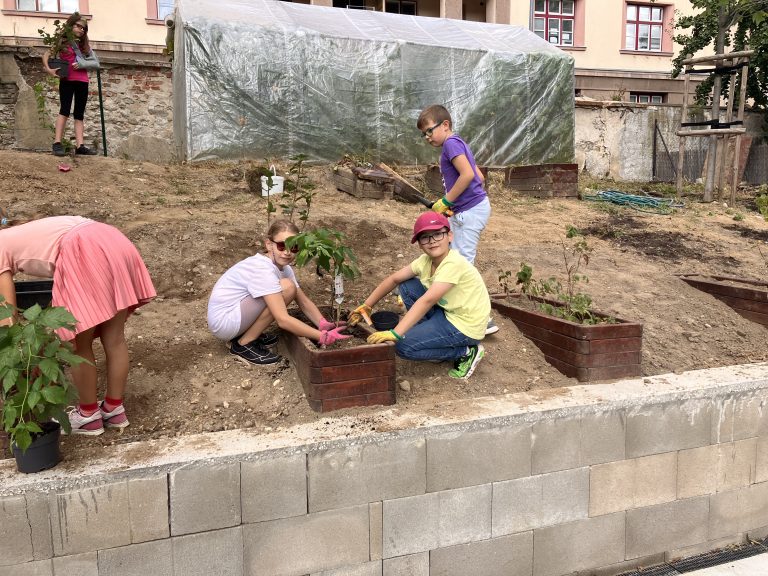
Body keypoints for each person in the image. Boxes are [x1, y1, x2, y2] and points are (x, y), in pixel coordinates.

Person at [0, 209, 156, 435]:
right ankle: (114, 410)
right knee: (114, 338)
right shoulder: (19, 231)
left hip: (84, 250)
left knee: (76, 344)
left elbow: (6, 315)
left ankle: (88, 416)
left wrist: (16, 356)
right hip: (111, 240)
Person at [349, 212, 489, 380]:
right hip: (449, 312)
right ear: (419, 244)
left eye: (438, 234)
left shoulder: (454, 263)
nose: (432, 241)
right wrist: (367, 306)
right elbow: (394, 279)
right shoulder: (425, 261)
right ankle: (432, 340)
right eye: (425, 237)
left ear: (450, 236)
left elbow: (427, 300)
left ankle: (465, 352)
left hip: (466, 325)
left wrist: (396, 333)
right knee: (407, 285)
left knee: (403, 347)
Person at [207, 219, 350, 365]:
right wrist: (322, 336)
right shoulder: (263, 269)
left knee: (288, 288)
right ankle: (244, 343)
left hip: (236, 316)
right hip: (224, 322)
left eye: (294, 247)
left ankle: (247, 333)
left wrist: (322, 323)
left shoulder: (284, 268)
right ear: (269, 245)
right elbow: (283, 320)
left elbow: (304, 302)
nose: (287, 252)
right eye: (282, 246)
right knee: (287, 288)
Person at [416, 104, 498, 335]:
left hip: (469, 212)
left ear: (445, 125)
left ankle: (481, 320)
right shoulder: (458, 143)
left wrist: (446, 201)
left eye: (429, 130)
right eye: (423, 134)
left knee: (461, 264)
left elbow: (468, 175)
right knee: (450, 257)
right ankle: (446, 304)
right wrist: (454, 203)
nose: (427, 137)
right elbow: (479, 176)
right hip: (469, 209)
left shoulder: (451, 144)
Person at [41, 12, 99, 157]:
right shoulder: (63, 42)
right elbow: (46, 55)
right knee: (64, 110)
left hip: (82, 81)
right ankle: (57, 143)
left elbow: (95, 63)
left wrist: (83, 64)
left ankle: (80, 146)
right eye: (78, 26)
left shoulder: (84, 46)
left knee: (79, 114)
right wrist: (49, 69)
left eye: (84, 28)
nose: (81, 29)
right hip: (67, 80)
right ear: (71, 25)